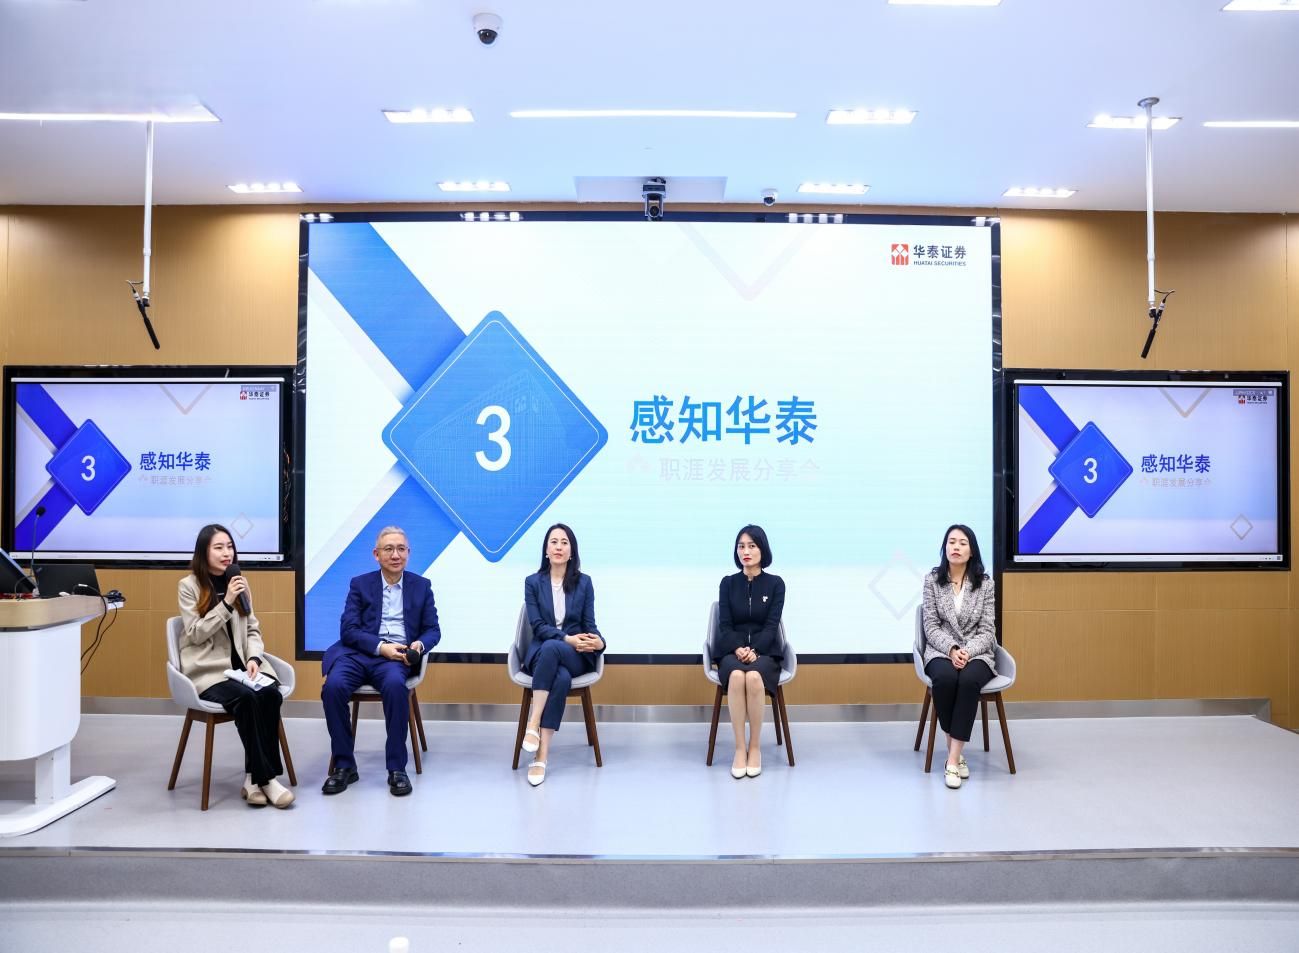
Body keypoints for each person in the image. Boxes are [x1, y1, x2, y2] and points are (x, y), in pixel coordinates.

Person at [177, 524, 294, 808]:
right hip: (209, 672)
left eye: (229, 546)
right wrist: (227, 603)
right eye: (218, 547)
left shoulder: (239, 581)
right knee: (247, 699)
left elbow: (252, 629)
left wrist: (254, 659)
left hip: (243, 669)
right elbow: (195, 633)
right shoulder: (188, 586)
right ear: (203, 552)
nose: (226, 553)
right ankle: (267, 779)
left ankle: (253, 778)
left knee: (270, 694)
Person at [321, 526, 441, 797]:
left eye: (401, 549)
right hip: (357, 654)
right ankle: (344, 766)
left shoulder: (422, 586)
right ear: (376, 554)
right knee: (333, 688)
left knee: (396, 687)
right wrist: (379, 647)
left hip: (396, 658)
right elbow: (348, 630)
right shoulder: (360, 584)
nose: (395, 555)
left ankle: (396, 768)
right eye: (389, 549)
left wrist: (419, 645)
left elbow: (433, 629)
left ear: (408, 553)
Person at [518, 523, 605, 787]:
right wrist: (566, 638)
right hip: (543, 654)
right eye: (553, 542)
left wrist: (600, 642)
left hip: (575, 655)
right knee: (560, 676)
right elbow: (538, 626)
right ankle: (542, 755)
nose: (558, 547)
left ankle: (533, 723)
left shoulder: (584, 582)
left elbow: (589, 624)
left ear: (571, 551)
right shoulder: (533, 582)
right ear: (546, 550)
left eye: (564, 542)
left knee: (553, 650)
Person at [920, 523, 998, 790]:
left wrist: (967, 652)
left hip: (977, 652)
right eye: (951, 542)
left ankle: (952, 760)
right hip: (941, 650)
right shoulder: (932, 580)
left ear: (972, 550)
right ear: (945, 548)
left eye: (963, 543)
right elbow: (930, 626)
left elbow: (987, 630)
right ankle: (956, 755)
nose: (956, 547)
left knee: (968, 681)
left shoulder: (985, 584)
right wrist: (952, 650)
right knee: (945, 679)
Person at [713, 524, 785, 779]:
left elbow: (771, 625)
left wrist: (755, 650)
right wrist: (738, 648)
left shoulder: (776, 584)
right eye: (741, 546)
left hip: (765, 652)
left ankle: (755, 748)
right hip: (732, 651)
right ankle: (739, 749)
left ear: (762, 549)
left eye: (752, 546)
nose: (746, 551)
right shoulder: (727, 583)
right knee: (736, 676)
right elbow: (725, 625)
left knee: (753, 677)